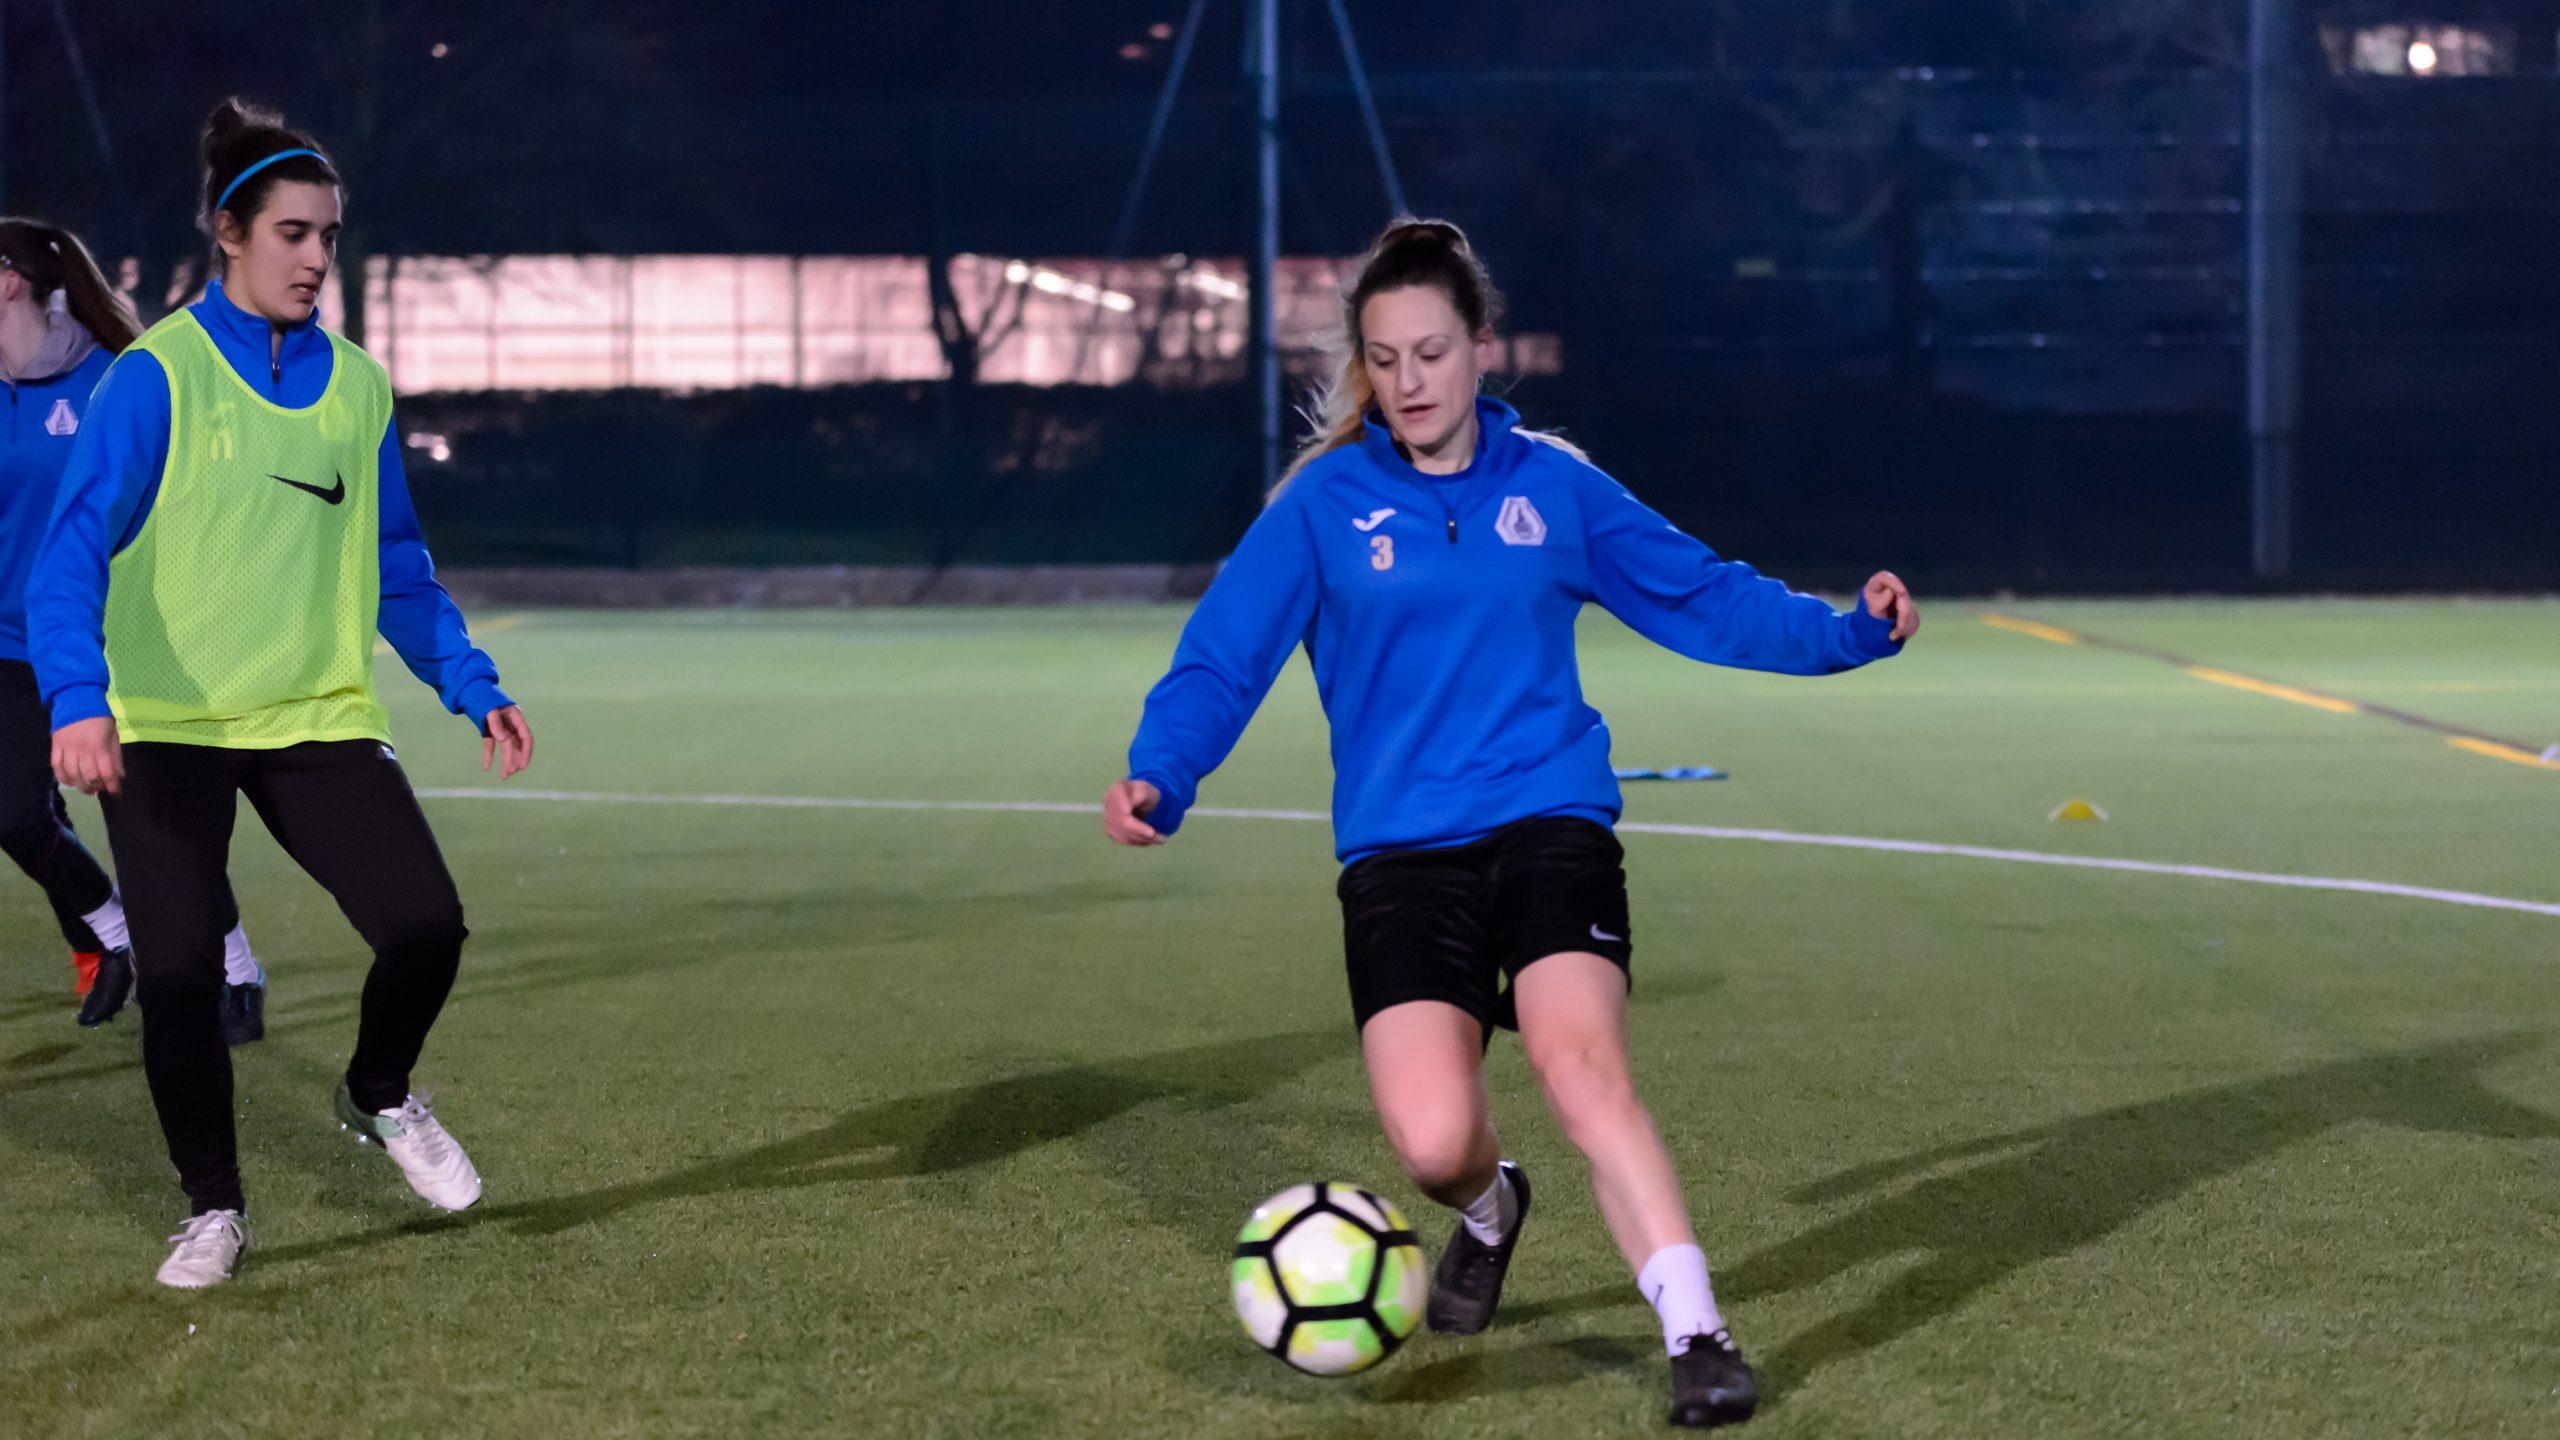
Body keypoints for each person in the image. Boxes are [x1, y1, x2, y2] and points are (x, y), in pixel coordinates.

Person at [1103, 219, 1918, 1429]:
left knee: (1579, 1066)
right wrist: (1161, 775)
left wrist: (1847, 629)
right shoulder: (1323, 507)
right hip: (1398, 853)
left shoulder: (1556, 488)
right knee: (1434, 1143)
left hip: (1548, 820)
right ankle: (1491, 1210)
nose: (1410, 381)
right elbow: (1221, 660)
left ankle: (1695, 1330)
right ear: (1364, 368)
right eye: (1384, 359)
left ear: (1483, 349)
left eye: (1431, 351)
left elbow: (1704, 598)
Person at [26, 98, 534, 1289]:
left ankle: (379, 1093)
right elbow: (69, 554)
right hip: (164, 729)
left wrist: (470, 681)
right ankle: (213, 1208)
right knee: (187, 978)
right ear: (231, 233)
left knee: (426, 926)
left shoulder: (359, 388)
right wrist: (75, 697)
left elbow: (394, 563)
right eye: (294, 233)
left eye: (329, 236)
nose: (316, 258)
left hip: (316, 718)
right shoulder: (155, 378)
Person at [0, 216, 272, 1042]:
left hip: (120, 640)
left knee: (159, 829)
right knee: (13, 814)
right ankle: (113, 937)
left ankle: (237, 967)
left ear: (9, 278)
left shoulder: (119, 380)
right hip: (15, 642)